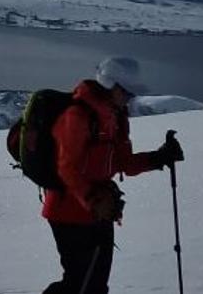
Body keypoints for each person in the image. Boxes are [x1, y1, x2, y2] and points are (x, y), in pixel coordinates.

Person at [41, 56, 184, 294]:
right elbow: (66, 167)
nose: (130, 98)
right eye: (127, 93)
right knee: (78, 284)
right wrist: (93, 199)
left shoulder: (116, 116)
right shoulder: (78, 115)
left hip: (101, 211)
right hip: (68, 212)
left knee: (95, 286)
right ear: (112, 86)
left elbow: (125, 163)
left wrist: (159, 157)